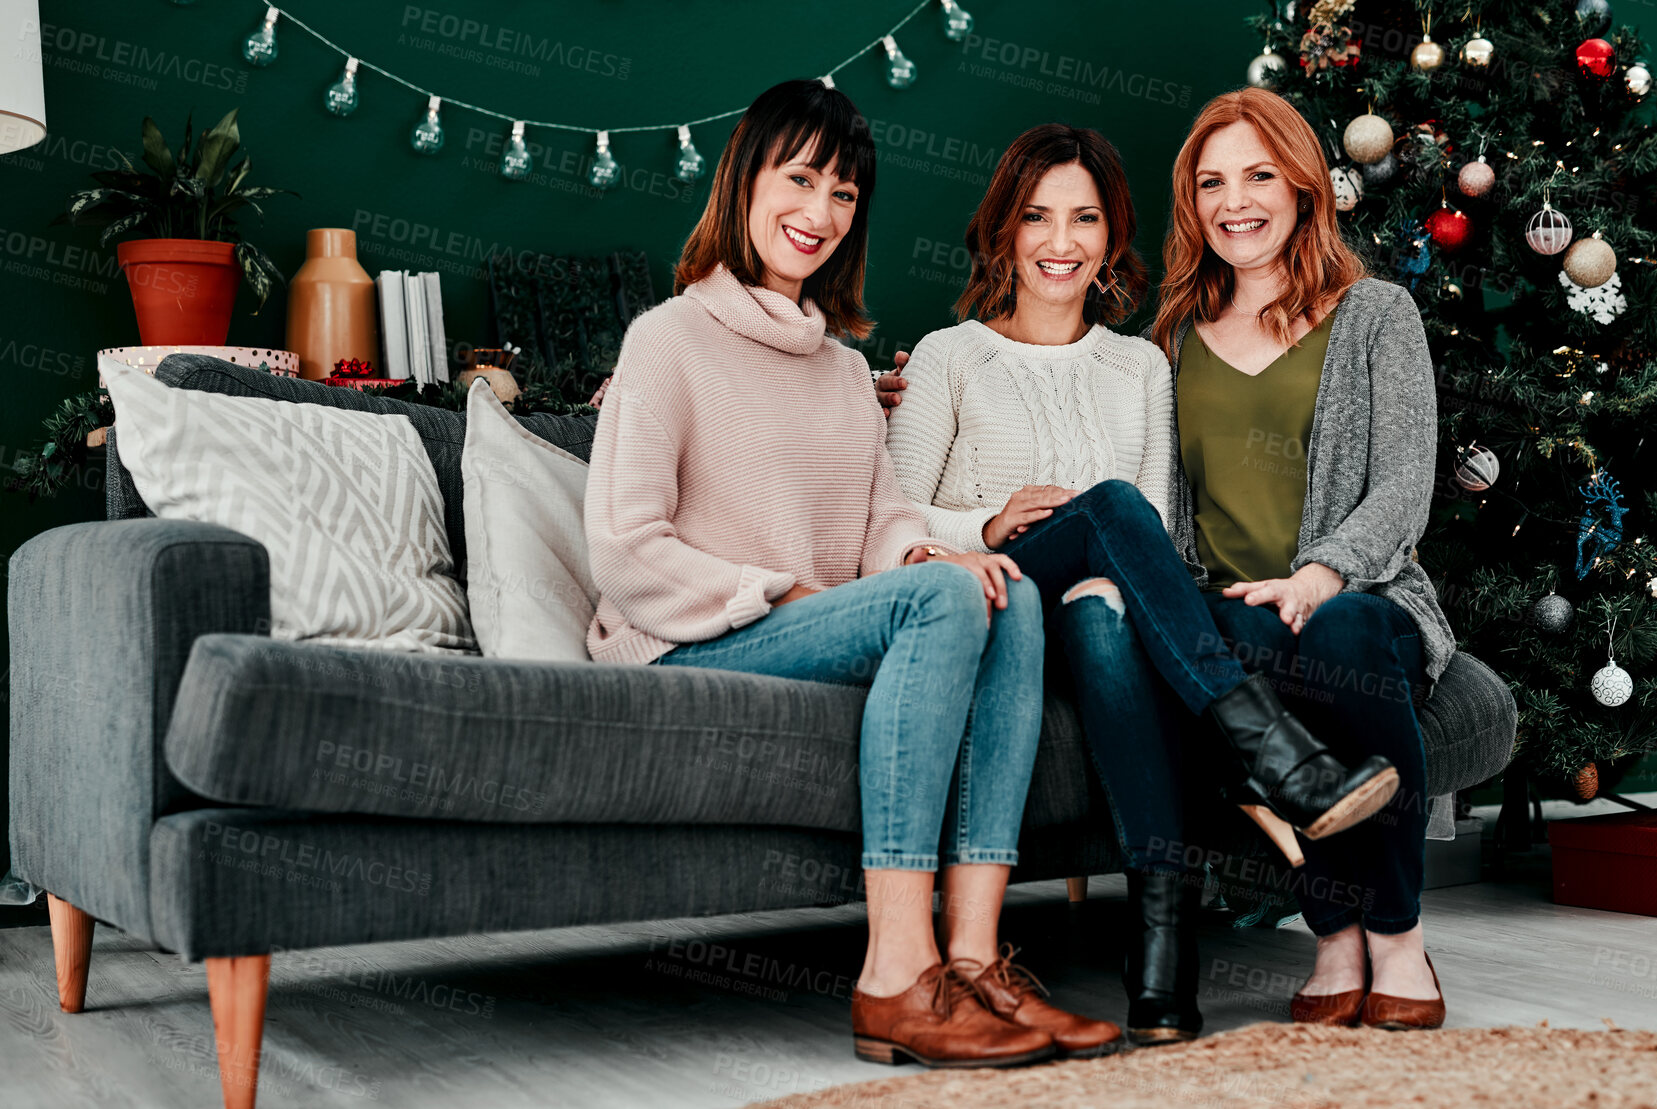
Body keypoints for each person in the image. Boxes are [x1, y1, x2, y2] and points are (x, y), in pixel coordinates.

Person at [583, 79, 1117, 1069]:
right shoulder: (666, 340)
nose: (819, 213)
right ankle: (894, 973)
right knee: (950, 591)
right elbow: (623, 542)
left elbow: (881, 521)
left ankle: (972, 961)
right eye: (799, 180)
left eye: (842, 193)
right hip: (690, 639)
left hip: (813, 626)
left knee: (1009, 589)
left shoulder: (837, 367)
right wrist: (780, 591)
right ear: (744, 181)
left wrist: (927, 554)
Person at [882, 122, 1402, 1045]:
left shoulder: (1141, 365)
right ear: (1003, 230)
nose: (1060, 242)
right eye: (1036, 218)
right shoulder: (946, 355)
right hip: (1000, 603)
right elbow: (892, 520)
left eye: (1084, 219)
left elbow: (1158, 540)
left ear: (1112, 239)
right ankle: (1272, 748)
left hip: (1096, 621)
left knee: (1107, 597)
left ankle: (1162, 958)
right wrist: (987, 524)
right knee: (1108, 510)